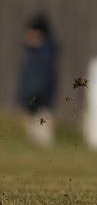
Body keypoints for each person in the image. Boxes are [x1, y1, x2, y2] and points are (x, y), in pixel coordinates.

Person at [17, 14, 58, 148]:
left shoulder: (44, 54)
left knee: (42, 143)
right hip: (33, 104)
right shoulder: (34, 53)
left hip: (40, 106)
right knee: (34, 145)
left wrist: (33, 99)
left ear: (39, 33)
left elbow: (43, 82)